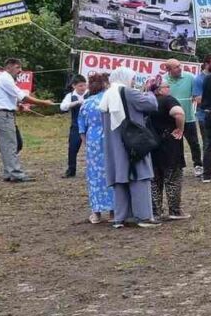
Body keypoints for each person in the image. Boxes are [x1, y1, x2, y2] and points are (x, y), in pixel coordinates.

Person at [97, 66, 159, 228]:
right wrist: (150, 91)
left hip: (114, 144)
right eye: (132, 78)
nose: (133, 81)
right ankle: (143, 216)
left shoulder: (107, 95)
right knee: (140, 175)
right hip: (132, 142)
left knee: (120, 178)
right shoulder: (128, 92)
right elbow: (151, 105)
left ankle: (121, 217)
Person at [0, 57, 55, 182]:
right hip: (3, 116)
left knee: (11, 144)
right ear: (8, 67)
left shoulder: (5, 78)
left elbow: (10, 97)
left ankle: (9, 172)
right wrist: (43, 103)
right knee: (10, 145)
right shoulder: (5, 78)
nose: (20, 70)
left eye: (20, 67)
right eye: (17, 67)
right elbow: (23, 96)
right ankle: (15, 173)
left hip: (5, 115)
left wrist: (17, 105)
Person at [147, 78, 189, 221]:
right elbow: (179, 113)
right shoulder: (167, 100)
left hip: (151, 144)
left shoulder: (146, 101)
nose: (169, 89)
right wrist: (180, 128)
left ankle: (155, 211)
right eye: (166, 86)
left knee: (154, 180)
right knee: (172, 178)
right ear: (159, 89)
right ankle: (175, 211)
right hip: (170, 144)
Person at [77, 73, 113, 223]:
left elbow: (81, 128)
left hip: (93, 140)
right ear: (105, 84)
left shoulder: (87, 103)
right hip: (111, 139)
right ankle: (113, 211)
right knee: (112, 173)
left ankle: (96, 212)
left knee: (95, 176)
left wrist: (88, 145)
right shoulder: (111, 100)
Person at [162, 59, 199, 170]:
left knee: (194, 143)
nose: (179, 68)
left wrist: (195, 97)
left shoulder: (190, 77)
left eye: (179, 66)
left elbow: (196, 94)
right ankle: (177, 165)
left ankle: (198, 165)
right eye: (176, 67)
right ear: (168, 69)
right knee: (174, 143)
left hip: (188, 117)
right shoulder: (163, 80)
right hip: (171, 119)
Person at [59, 75, 88, 177]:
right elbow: (62, 107)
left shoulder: (90, 94)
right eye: (80, 86)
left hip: (89, 125)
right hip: (76, 126)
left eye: (84, 85)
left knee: (92, 148)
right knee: (72, 148)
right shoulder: (70, 96)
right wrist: (75, 103)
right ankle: (71, 170)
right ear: (74, 86)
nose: (83, 88)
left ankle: (93, 170)